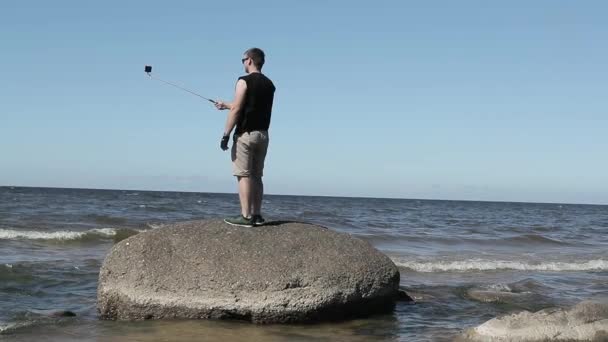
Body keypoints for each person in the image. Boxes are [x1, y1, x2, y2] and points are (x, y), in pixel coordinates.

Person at [215, 48, 276, 227]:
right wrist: (225, 104)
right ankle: (256, 215)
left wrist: (225, 134)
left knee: (243, 175)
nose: (242, 63)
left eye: (243, 60)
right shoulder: (269, 84)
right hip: (263, 135)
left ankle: (245, 216)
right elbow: (248, 105)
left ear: (249, 60)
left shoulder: (243, 81)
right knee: (257, 176)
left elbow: (238, 109)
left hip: (245, 134)